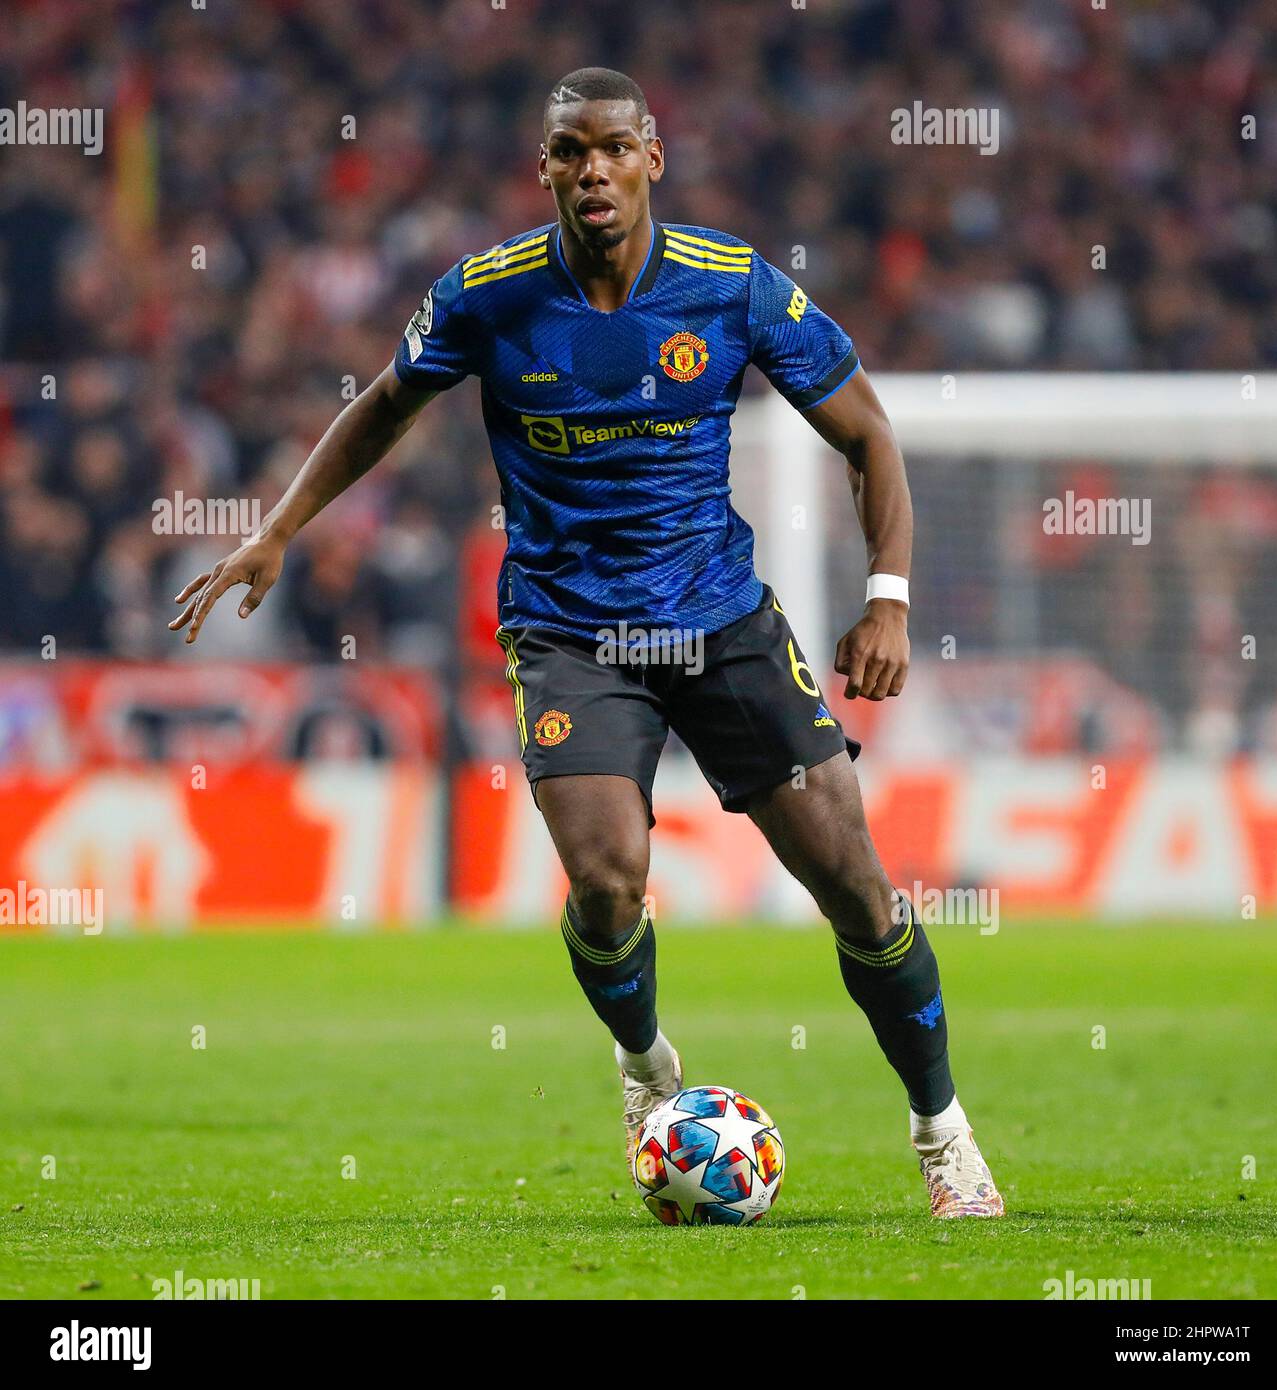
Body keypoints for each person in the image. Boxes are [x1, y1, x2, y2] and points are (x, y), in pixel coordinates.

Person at [170, 67, 1003, 1220]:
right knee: (607, 877)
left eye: (613, 147)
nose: (592, 169)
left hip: (719, 620)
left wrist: (890, 596)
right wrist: (275, 532)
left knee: (856, 887)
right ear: (546, 168)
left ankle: (940, 1131)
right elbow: (381, 406)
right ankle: (648, 1068)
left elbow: (865, 431)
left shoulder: (729, 284)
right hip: (570, 631)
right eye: (570, 151)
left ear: (651, 158)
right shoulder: (487, 295)